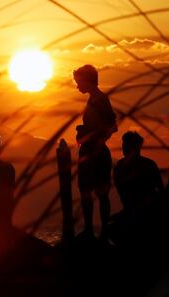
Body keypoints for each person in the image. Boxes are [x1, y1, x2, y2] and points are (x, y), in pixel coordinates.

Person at [73, 64, 117, 240]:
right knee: (88, 191)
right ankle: (91, 230)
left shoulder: (100, 100)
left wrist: (92, 135)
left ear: (87, 80)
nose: (77, 86)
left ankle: (101, 230)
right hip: (90, 152)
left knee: (99, 193)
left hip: (95, 153)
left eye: (78, 82)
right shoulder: (94, 99)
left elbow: (112, 126)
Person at [113, 131, 164, 215]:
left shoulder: (149, 165)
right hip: (134, 209)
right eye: (124, 145)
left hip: (148, 209)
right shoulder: (120, 166)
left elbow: (160, 189)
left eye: (127, 145)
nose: (124, 148)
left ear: (136, 148)